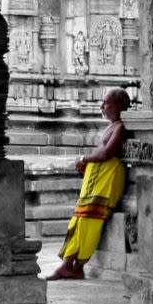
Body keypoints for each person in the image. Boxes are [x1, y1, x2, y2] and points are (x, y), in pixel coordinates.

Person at [47, 87, 130, 280]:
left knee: (89, 219)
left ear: (119, 106)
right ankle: (69, 263)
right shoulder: (113, 126)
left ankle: (76, 264)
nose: (102, 107)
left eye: (106, 103)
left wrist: (84, 159)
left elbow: (106, 154)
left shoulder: (121, 127)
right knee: (80, 217)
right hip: (98, 177)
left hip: (108, 178)